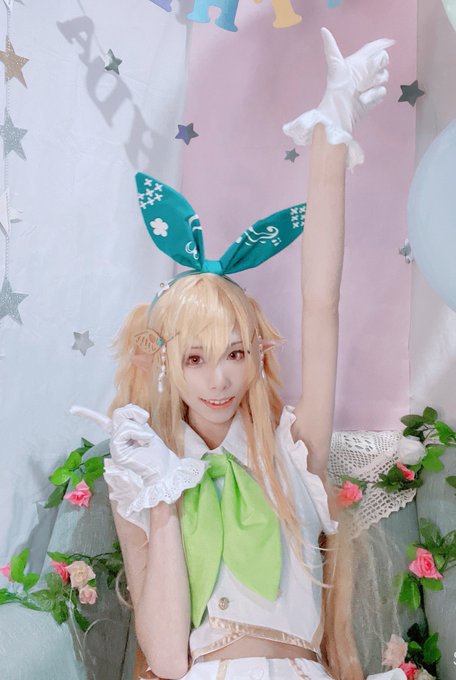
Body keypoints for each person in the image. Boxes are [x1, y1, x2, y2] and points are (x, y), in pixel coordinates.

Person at [73, 28, 406, 680]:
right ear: (165, 363)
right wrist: (162, 499)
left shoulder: (291, 450)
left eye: (235, 353)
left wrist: (331, 133)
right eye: (195, 360)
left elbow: (321, 303)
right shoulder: (143, 474)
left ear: (257, 356)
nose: (220, 379)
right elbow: (166, 658)